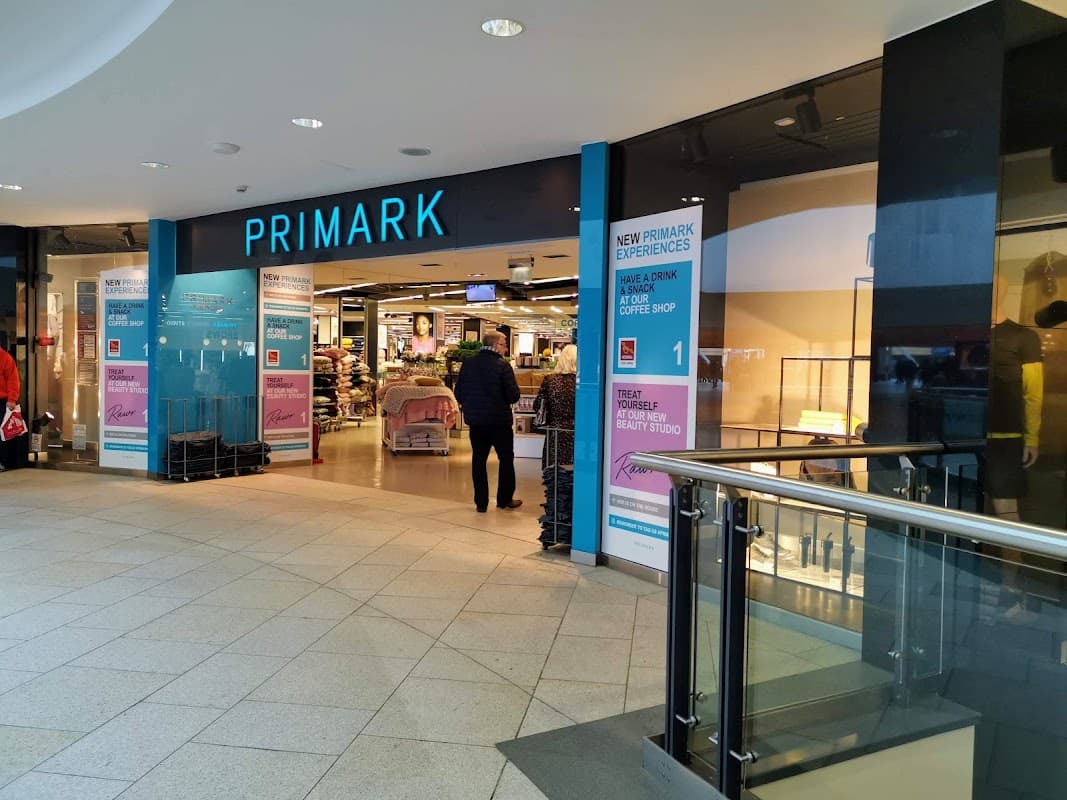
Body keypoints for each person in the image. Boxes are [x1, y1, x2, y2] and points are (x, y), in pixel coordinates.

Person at [455, 330, 522, 512]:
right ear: (496, 345)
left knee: (478, 460)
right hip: (499, 421)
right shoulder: (503, 366)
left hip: (476, 422)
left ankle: (481, 503)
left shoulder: (468, 364)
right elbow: (513, 396)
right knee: (506, 459)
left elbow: (458, 393)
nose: (506, 348)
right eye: (504, 344)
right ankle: (504, 499)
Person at [534, 343, 577, 468]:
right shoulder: (581, 382)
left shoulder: (550, 380)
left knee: (554, 475)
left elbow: (538, 405)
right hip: (577, 434)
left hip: (555, 433)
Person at [0, 345, 20, 472]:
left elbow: (13, 380)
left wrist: (12, 399)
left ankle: (1, 461)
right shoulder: (6, 357)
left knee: (2, 434)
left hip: (2, 401)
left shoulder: (5, 358)